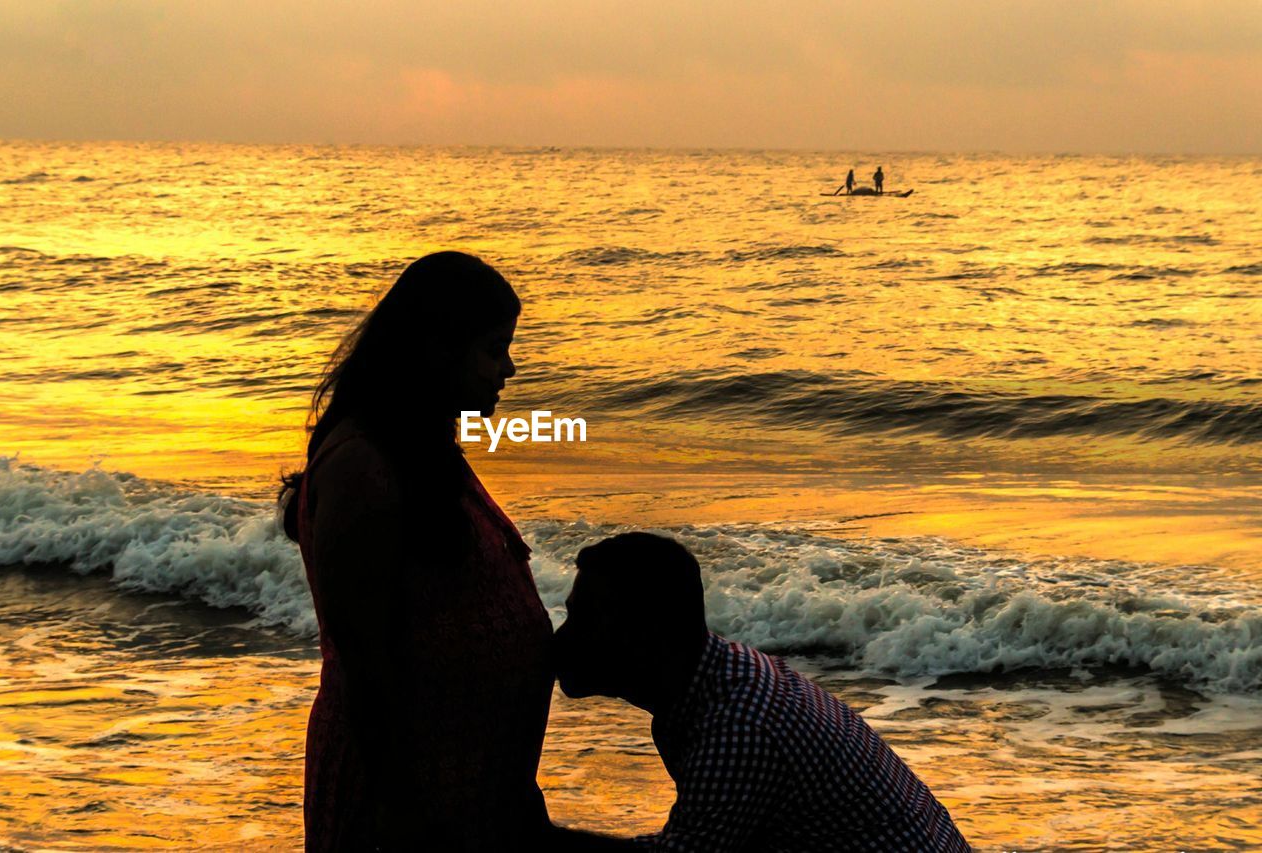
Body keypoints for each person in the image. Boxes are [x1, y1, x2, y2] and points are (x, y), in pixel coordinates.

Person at [277, 251, 556, 851]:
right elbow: (364, 659)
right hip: (404, 802)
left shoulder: (418, 450)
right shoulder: (363, 466)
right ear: (437, 348)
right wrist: (400, 812)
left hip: (468, 786)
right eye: (493, 349)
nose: (507, 369)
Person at [549, 533, 972, 853]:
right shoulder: (718, 678)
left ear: (649, 632)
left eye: (586, 620)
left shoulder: (736, 724)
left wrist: (542, 838)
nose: (561, 639)